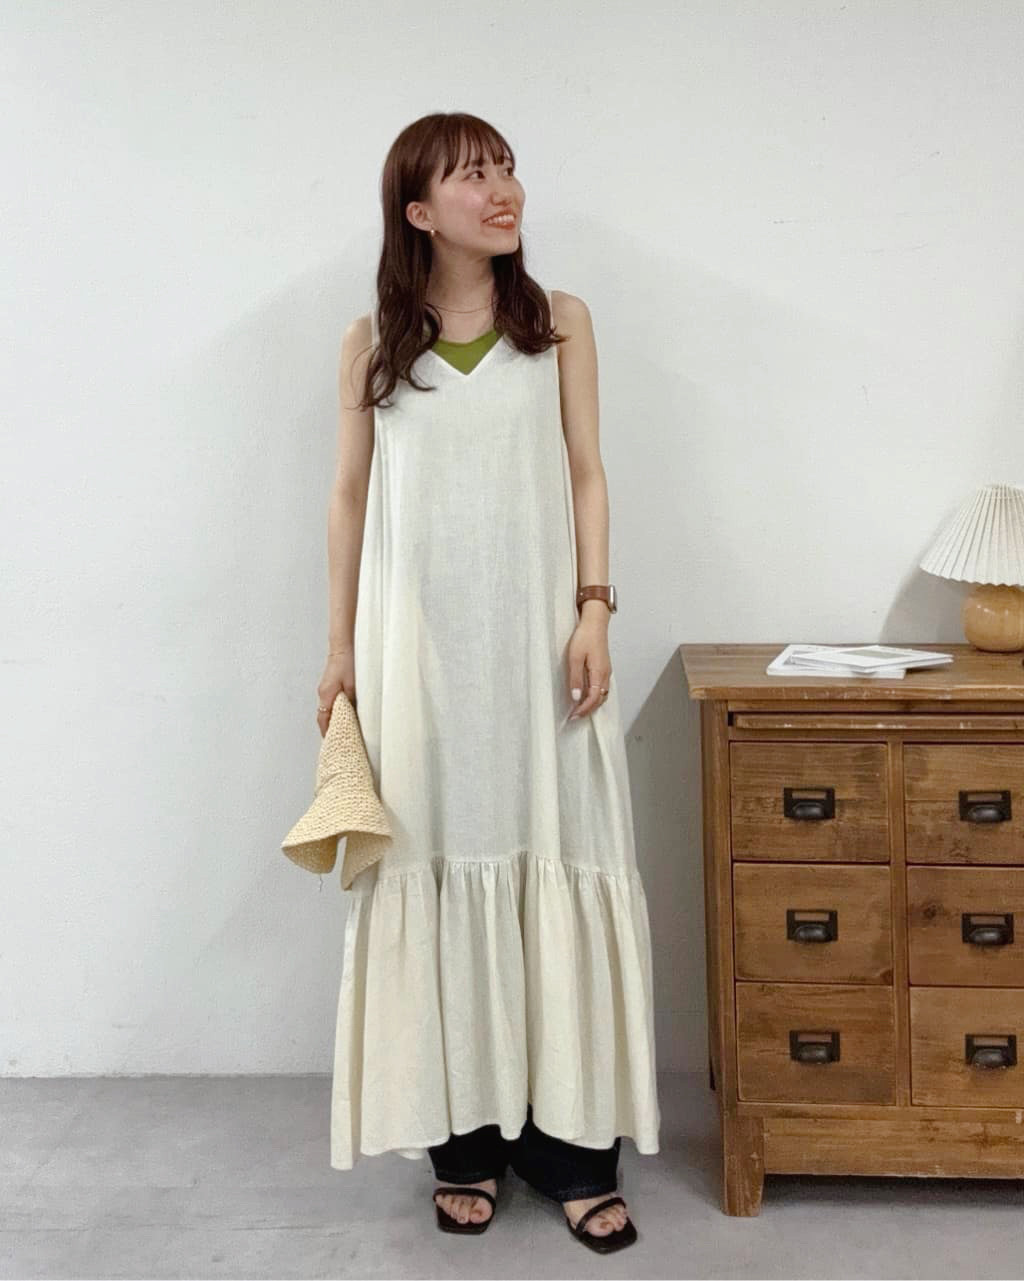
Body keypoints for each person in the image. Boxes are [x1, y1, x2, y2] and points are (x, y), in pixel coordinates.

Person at [318, 112, 660, 1253]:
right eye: (473, 176)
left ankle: (574, 1152)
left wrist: (594, 608)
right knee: (435, 860)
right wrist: (338, 651)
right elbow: (349, 500)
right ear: (420, 212)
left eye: (506, 167)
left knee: (556, 851)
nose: (503, 188)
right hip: (417, 664)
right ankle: (461, 1140)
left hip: (539, 654)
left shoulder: (558, 324)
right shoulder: (372, 343)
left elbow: (587, 472)